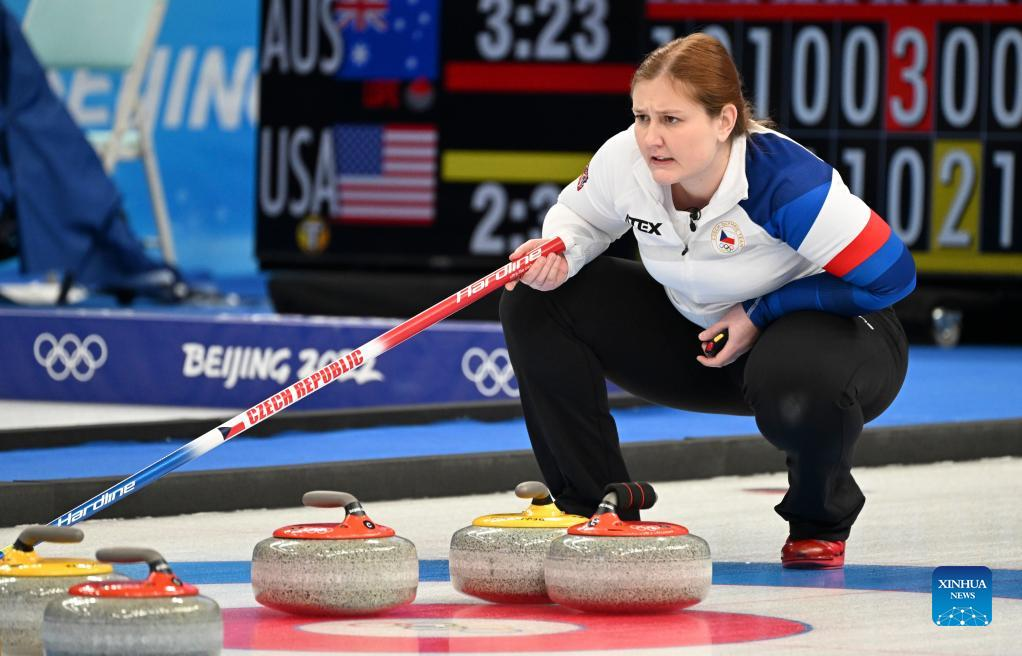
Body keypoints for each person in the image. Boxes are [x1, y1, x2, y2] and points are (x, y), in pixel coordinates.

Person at [498, 33, 915, 569]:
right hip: (703, 338)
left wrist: (762, 313)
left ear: (724, 121)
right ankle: (596, 511)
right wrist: (557, 252)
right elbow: (579, 219)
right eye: (642, 116)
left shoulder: (786, 182)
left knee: (797, 375)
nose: (651, 137)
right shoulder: (624, 158)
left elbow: (893, 279)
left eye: (672, 119)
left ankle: (818, 520)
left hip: (834, 343)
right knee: (535, 300)